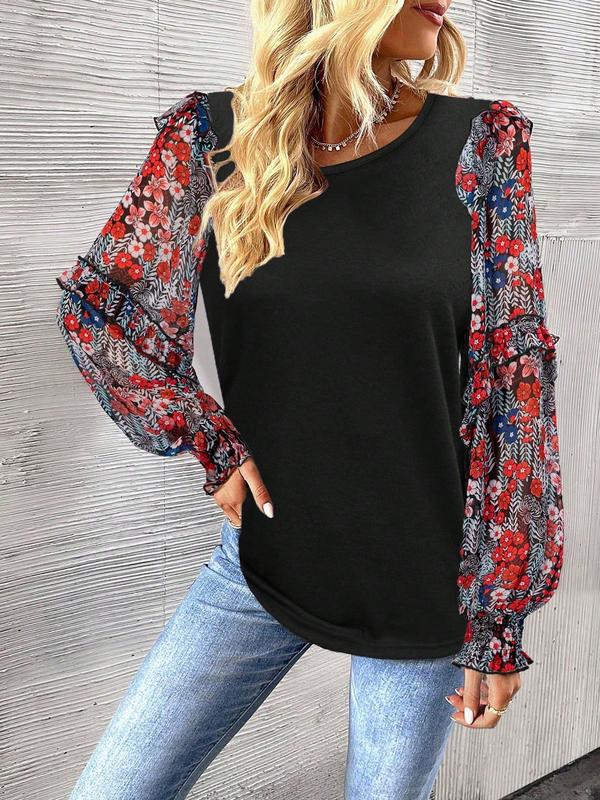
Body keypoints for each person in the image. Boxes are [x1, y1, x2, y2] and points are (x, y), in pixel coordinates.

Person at [54, 1, 565, 798]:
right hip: (268, 556)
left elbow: (514, 386)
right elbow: (103, 306)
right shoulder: (211, 138)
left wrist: (496, 621)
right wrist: (207, 439)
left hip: (423, 579)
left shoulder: (483, 144)